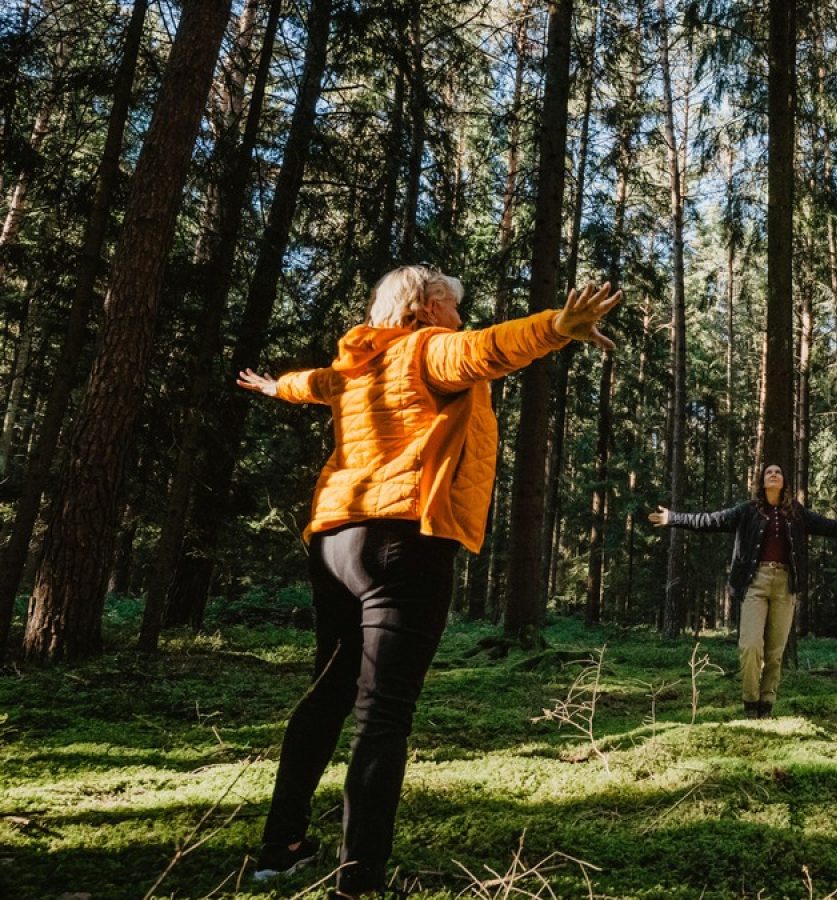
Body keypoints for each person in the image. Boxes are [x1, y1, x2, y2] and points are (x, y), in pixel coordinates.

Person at [239, 266, 621, 896]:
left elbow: (315, 384)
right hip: (401, 544)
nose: (460, 314)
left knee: (328, 694)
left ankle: (279, 848)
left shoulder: (359, 365)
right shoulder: (428, 347)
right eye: (452, 302)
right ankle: (358, 878)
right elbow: (491, 348)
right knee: (383, 714)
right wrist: (557, 326)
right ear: (425, 307)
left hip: (334, 539)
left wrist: (273, 386)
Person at [648, 464, 837, 717]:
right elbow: (710, 520)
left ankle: (766, 706)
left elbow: (829, 526)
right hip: (754, 583)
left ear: (784, 482)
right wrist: (674, 518)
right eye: (768, 472)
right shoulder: (747, 511)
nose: (773, 474)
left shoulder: (796, 513)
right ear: (761, 481)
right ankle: (750, 703)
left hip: (785, 586)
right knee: (750, 646)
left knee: (775, 652)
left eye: (778, 472)